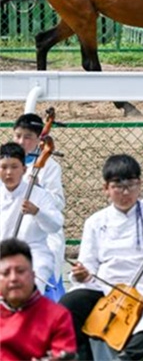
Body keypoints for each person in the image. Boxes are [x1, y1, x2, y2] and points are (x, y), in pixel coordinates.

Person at [60, 154, 143, 361]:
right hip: (106, 287)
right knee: (68, 306)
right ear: (106, 188)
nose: (126, 192)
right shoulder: (95, 221)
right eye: (118, 186)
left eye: (132, 185)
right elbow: (87, 266)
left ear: (140, 184)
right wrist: (81, 274)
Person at [0, 142, 63, 294]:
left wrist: (37, 212)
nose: (9, 172)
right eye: (3, 167)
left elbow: (55, 225)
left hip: (33, 253)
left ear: (24, 169)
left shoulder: (38, 194)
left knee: (29, 288)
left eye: (14, 167)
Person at [0, 238, 76, 361]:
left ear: (33, 275)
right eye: (6, 273)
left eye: (20, 271)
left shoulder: (57, 316)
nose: (13, 278)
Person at [11, 113, 65, 282]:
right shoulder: (6, 163)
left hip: (39, 228)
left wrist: (39, 190)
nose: (21, 142)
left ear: (39, 139)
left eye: (28, 137)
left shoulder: (49, 166)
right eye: (18, 136)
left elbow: (59, 203)